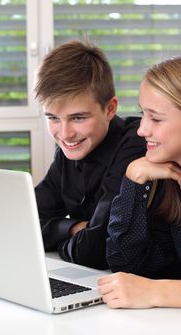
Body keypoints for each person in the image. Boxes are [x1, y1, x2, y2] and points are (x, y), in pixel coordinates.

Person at [98, 53, 181, 312]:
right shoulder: (173, 178)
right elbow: (128, 266)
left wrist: (158, 292)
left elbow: (147, 289)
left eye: (155, 119)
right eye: (142, 114)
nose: (141, 130)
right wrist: (133, 181)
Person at [34, 39, 147, 269]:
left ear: (110, 109)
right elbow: (20, 222)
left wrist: (64, 239)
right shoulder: (67, 152)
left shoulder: (136, 142)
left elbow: (94, 250)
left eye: (78, 118)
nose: (65, 134)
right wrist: (74, 228)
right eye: (53, 118)